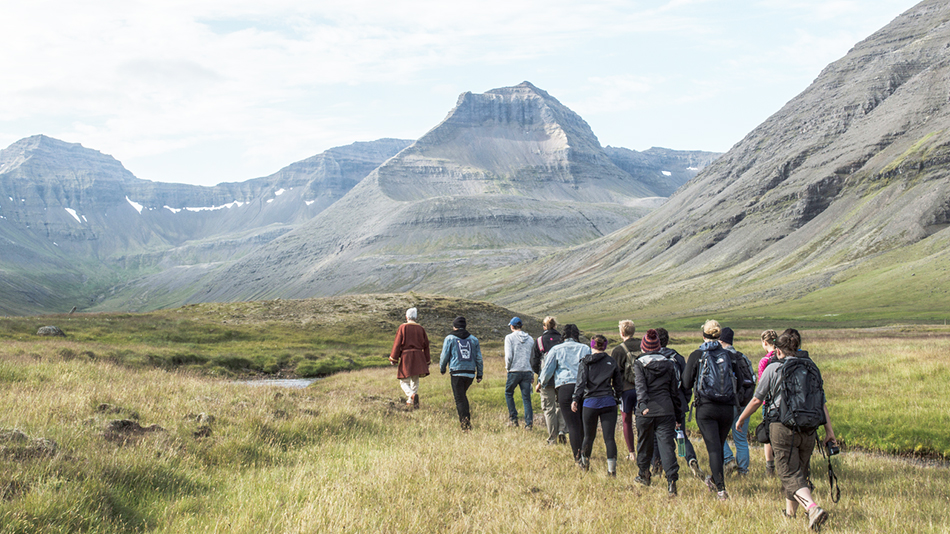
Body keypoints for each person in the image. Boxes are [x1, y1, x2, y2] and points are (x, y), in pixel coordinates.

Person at [736, 329, 836, 531]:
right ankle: (790, 514)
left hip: (782, 427)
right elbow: (821, 403)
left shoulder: (773, 369)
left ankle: (812, 508)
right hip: (809, 428)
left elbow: (757, 399)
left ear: (779, 351)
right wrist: (829, 432)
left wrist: (741, 418)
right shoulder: (811, 368)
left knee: (788, 473)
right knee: (799, 472)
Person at [682, 319, 739, 500]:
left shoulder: (697, 354)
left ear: (703, 334)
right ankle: (715, 480)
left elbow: (685, 383)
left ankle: (721, 489)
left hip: (706, 408)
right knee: (719, 447)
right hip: (727, 408)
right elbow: (740, 379)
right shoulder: (729, 355)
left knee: (714, 449)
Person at [633, 329, 683, 495]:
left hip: (646, 411)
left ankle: (644, 475)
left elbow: (640, 387)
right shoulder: (669, 364)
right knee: (667, 446)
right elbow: (674, 392)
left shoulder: (639, 363)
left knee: (644, 445)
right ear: (658, 346)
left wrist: (642, 405)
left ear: (644, 347)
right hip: (666, 410)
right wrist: (678, 415)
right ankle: (671, 482)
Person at [655, 327, 704, 480]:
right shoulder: (678, 357)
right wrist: (685, 400)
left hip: (659, 404)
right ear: (667, 340)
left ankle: (657, 466)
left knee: (658, 437)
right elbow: (686, 383)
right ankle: (690, 458)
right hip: (678, 403)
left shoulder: (651, 358)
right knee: (680, 435)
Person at [572, 334, 623, 476]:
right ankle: (611, 470)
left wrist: (575, 399)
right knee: (609, 438)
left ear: (592, 345)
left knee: (588, 436)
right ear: (605, 346)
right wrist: (618, 398)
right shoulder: (611, 362)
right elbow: (618, 384)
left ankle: (585, 464)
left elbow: (580, 383)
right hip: (608, 402)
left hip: (590, 403)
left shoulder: (585, 362)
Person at [538, 324, 590, 464]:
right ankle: (586, 453)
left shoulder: (556, 349)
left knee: (572, 425)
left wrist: (541, 383)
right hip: (584, 388)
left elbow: (548, 370)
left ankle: (578, 458)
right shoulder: (585, 348)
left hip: (565, 388)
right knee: (583, 423)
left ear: (564, 336)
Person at [439, 316, 484, 431]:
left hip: (456, 372)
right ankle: (466, 421)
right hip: (470, 373)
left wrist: (442, 368)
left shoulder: (450, 338)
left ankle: (465, 425)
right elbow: (479, 358)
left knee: (459, 398)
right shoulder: (473, 339)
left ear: (454, 327)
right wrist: (479, 374)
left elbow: (444, 356)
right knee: (462, 396)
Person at [721, 327, 752, 476]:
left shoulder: (720, 357)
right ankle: (743, 472)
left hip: (726, 404)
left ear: (721, 340)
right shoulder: (743, 357)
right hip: (744, 404)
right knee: (741, 439)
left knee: (717, 435)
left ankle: (728, 459)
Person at [609, 320, 640, 461]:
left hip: (625, 391)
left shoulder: (618, 350)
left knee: (626, 421)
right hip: (642, 389)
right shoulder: (642, 345)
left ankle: (632, 453)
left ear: (621, 333)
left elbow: (613, 372)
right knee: (642, 420)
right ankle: (645, 449)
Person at [531, 316, 565, 444]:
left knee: (548, 409)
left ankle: (552, 438)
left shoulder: (539, 341)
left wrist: (540, 375)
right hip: (561, 378)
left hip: (545, 380)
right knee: (561, 405)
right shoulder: (562, 340)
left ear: (544, 327)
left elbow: (533, 361)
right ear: (555, 326)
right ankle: (562, 429)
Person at [389, 307, 431, 409]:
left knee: (404, 381)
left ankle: (411, 395)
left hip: (406, 356)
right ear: (416, 317)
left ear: (406, 317)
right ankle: (411, 401)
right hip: (418, 356)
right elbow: (426, 345)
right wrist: (427, 360)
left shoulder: (402, 328)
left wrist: (393, 358)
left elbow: (397, 343)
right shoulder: (421, 329)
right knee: (415, 380)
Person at [504, 317, 534, 429]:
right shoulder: (530, 339)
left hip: (514, 370)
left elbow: (509, 356)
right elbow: (532, 357)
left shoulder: (509, 338)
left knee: (508, 393)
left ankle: (513, 418)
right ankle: (529, 423)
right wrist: (531, 372)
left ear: (512, 326)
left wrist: (508, 368)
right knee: (526, 398)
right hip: (527, 370)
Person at [759, 329, 779, 477]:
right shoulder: (783, 356)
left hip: (769, 402)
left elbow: (761, 386)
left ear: (765, 342)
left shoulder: (765, 361)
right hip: (784, 402)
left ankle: (769, 466)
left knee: (768, 435)